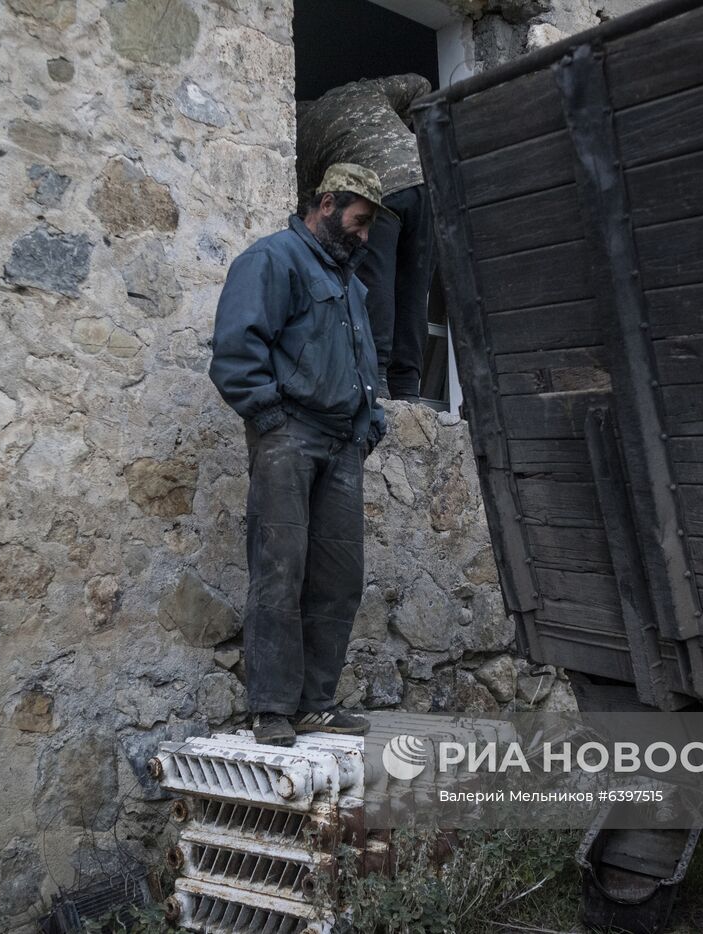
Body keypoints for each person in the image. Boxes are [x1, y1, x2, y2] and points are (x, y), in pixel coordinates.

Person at [209, 163, 389, 747]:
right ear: (328, 202)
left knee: (339, 578)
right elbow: (237, 349)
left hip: (341, 444)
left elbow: (364, 367)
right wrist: (271, 420)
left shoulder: (350, 284)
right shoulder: (272, 258)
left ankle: (315, 704)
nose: (364, 237)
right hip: (288, 435)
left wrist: (369, 427)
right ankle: (272, 708)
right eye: (359, 223)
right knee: (279, 569)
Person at [297, 74, 436, 402]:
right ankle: (408, 388)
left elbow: (311, 211)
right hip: (425, 182)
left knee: (375, 282)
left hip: (375, 192)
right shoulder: (365, 89)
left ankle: (379, 380)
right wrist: (401, 131)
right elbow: (421, 85)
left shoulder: (302, 135)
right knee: (415, 290)